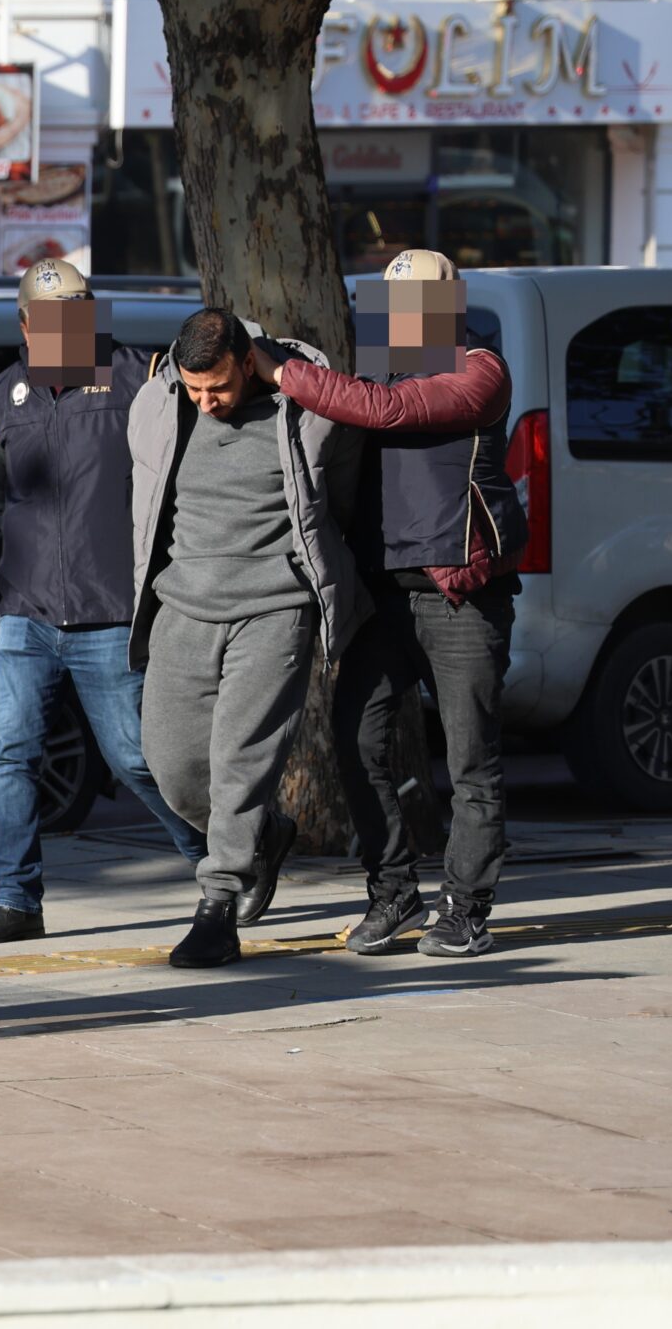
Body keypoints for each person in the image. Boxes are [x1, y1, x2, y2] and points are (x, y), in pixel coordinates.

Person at [254, 249, 524, 958]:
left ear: (451, 303)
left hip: (461, 596)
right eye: (395, 305)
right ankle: (393, 891)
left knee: (472, 762)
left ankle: (466, 907)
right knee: (356, 738)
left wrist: (281, 370)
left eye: (421, 304)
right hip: (385, 598)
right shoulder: (374, 370)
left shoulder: (480, 371)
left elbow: (389, 411)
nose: (406, 318)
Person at [0, 261, 207, 945]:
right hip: (26, 612)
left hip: (111, 610)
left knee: (135, 757)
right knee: (9, 754)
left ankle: (221, 861)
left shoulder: (139, 378)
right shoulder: (3, 395)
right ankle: (17, 898)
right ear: (26, 324)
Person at [129, 307, 364, 969]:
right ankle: (265, 833)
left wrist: (311, 579)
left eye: (221, 389)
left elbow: (338, 495)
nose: (208, 403)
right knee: (170, 763)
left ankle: (218, 904)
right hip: (184, 606)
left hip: (273, 608)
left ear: (250, 360)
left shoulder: (306, 404)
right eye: (196, 390)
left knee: (241, 760)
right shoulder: (157, 403)